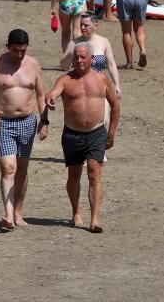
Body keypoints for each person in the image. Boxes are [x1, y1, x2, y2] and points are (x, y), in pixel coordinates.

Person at [0, 28, 48, 231]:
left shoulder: (33, 65)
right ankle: (7, 215)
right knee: (8, 168)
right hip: (2, 122)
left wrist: (45, 120)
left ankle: (18, 212)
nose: (20, 55)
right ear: (8, 46)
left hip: (27, 122)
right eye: (16, 50)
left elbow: (40, 95)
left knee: (22, 169)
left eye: (23, 50)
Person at [44, 42, 120, 233]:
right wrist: (50, 99)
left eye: (83, 57)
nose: (79, 60)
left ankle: (95, 220)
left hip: (96, 133)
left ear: (92, 59)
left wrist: (111, 133)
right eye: (76, 57)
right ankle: (76, 210)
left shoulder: (102, 80)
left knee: (94, 172)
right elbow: (52, 93)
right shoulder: (65, 80)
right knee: (74, 174)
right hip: (72, 134)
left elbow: (115, 105)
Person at [60, 13, 122, 131]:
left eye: (86, 25)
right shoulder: (74, 43)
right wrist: (69, 53)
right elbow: (63, 65)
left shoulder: (104, 42)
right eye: (81, 25)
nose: (83, 28)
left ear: (95, 25)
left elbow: (111, 64)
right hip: (80, 85)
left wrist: (117, 84)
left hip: (100, 85)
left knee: (104, 120)